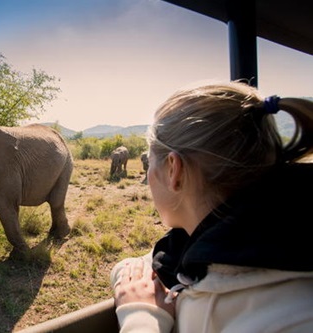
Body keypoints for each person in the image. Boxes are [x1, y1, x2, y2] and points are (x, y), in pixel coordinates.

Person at [110, 81, 313, 332]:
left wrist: (141, 319)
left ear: (174, 169)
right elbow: (128, 267)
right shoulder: (209, 243)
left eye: (151, 162)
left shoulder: (288, 320)